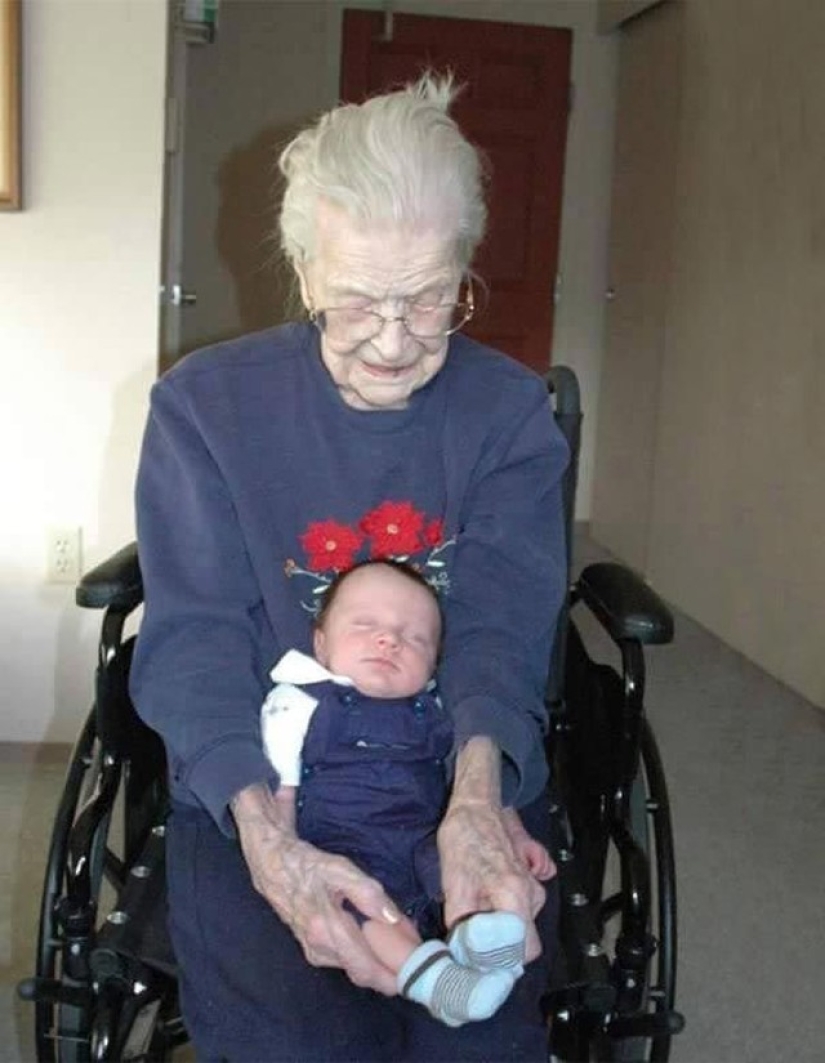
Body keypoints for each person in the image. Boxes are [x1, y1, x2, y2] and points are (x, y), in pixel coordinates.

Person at [130, 72, 569, 1061]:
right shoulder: (205, 407)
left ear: (465, 270)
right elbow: (196, 640)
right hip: (271, 773)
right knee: (295, 1037)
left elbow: (501, 625)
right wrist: (269, 842)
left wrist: (475, 799)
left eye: (430, 299)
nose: (393, 340)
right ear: (303, 271)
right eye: (359, 301)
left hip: (450, 756)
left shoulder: (506, 413)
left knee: (481, 1038)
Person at [261, 559, 556, 1028]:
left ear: (435, 663)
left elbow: (477, 789)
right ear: (321, 643)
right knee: (364, 907)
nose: (389, 640)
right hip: (343, 844)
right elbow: (281, 792)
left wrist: (513, 833)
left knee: (474, 875)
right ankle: (432, 978)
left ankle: (491, 950)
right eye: (365, 625)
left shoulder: (438, 708)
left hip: (430, 835)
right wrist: (289, 855)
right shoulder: (297, 701)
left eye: (415, 638)